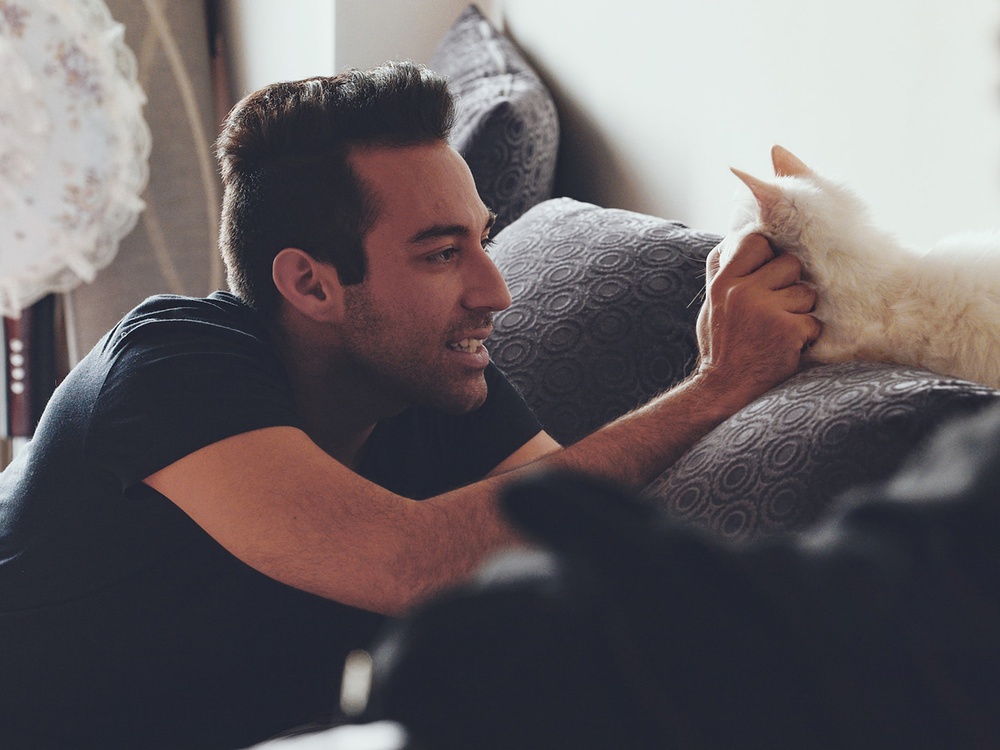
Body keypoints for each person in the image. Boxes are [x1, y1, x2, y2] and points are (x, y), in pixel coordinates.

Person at [0, 61, 818, 749]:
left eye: (484, 240)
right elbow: (409, 562)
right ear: (310, 283)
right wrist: (717, 385)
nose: (496, 292)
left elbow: (573, 543)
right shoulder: (173, 362)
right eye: (441, 253)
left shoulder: (429, 376)